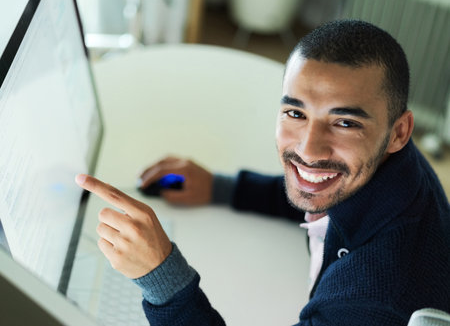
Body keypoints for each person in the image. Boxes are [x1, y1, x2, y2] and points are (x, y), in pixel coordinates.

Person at [75, 20, 450, 325]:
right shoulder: (389, 160)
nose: (308, 148)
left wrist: (160, 276)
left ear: (399, 131)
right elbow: (318, 186)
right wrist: (222, 188)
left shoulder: (373, 301)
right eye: (295, 113)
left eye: (345, 123)